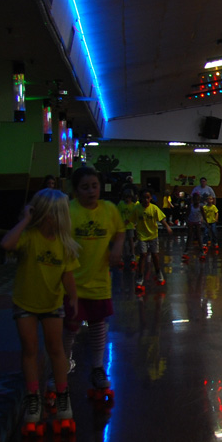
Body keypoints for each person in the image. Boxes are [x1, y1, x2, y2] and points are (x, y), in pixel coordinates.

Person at [1, 188, 80, 435]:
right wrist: (25, 219)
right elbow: (6, 244)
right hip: (25, 303)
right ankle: (33, 397)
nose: (61, 219)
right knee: (30, 350)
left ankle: (62, 395)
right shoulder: (29, 236)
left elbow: (68, 276)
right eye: (57, 214)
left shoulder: (65, 244)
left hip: (52, 304)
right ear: (46, 215)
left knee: (56, 350)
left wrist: (74, 298)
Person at [63, 166, 124, 403]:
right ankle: (62, 365)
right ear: (76, 190)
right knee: (71, 326)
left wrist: (117, 248)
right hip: (72, 282)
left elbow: (119, 231)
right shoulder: (69, 211)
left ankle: (98, 367)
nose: (91, 191)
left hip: (99, 281)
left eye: (95, 186)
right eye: (85, 187)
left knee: (99, 323)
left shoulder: (109, 210)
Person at [133, 189, 172, 293]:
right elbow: (130, 220)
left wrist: (167, 227)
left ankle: (158, 272)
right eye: (144, 198)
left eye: (148, 197)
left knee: (155, 255)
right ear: (141, 198)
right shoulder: (137, 208)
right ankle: (140, 278)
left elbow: (162, 219)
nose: (146, 200)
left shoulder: (154, 208)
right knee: (143, 255)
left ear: (150, 198)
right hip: (142, 236)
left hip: (153, 235)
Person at [117, 188, 141, 269]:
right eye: (126, 197)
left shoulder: (133, 205)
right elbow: (118, 214)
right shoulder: (121, 204)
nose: (128, 199)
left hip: (130, 226)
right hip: (122, 226)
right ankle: (121, 256)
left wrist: (136, 223)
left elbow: (136, 214)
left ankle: (133, 254)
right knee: (122, 242)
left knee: (131, 240)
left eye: (129, 197)